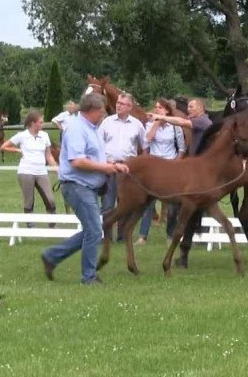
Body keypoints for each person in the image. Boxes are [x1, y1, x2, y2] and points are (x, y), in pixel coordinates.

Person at [40, 93, 130, 285]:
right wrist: (106, 168)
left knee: (93, 230)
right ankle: (88, 277)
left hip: (86, 187)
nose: (103, 115)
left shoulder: (92, 128)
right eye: (102, 112)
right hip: (77, 186)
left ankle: (52, 256)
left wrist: (112, 163)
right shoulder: (76, 129)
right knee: (95, 232)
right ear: (93, 111)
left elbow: (94, 156)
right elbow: (77, 161)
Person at [98, 91, 147, 241]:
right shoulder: (107, 122)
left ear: (130, 107)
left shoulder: (137, 125)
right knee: (107, 202)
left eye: (123, 104)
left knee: (125, 204)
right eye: (118, 103)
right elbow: (98, 144)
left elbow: (145, 147)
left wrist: (140, 166)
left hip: (127, 169)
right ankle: (105, 236)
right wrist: (103, 162)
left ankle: (122, 236)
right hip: (109, 167)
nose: (119, 106)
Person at [136, 98, 186, 245]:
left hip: (170, 165)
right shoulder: (150, 124)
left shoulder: (175, 126)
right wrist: (157, 123)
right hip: (154, 166)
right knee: (148, 202)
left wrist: (176, 163)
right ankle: (142, 236)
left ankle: (170, 236)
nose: (156, 109)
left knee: (172, 204)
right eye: (156, 107)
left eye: (160, 108)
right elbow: (148, 139)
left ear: (167, 111)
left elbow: (182, 148)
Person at [0, 110, 58, 228]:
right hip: (25, 172)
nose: (42, 125)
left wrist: (57, 169)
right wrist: (17, 150)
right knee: (29, 200)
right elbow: (3, 147)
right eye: (40, 122)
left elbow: (48, 155)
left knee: (50, 200)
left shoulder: (45, 136)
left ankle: (53, 224)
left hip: (42, 172)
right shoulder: (22, 136)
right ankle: (30, 225)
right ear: (32, 123)